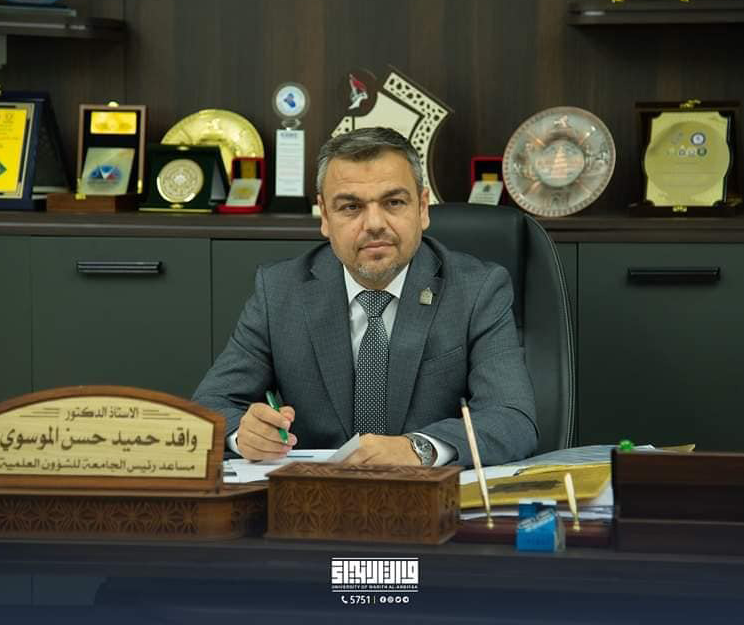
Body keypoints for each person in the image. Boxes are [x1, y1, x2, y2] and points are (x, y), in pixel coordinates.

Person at [192, 127, 538, 467]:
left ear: (422, 208)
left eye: (393, 202)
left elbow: (512, 418)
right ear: (325, 216)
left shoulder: (476, 290)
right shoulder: (280, 290)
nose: (374, 224)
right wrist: (241, 434)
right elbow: (208, 407)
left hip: (429, 494)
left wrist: (418, 449)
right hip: (315, 496)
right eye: (350, 207)